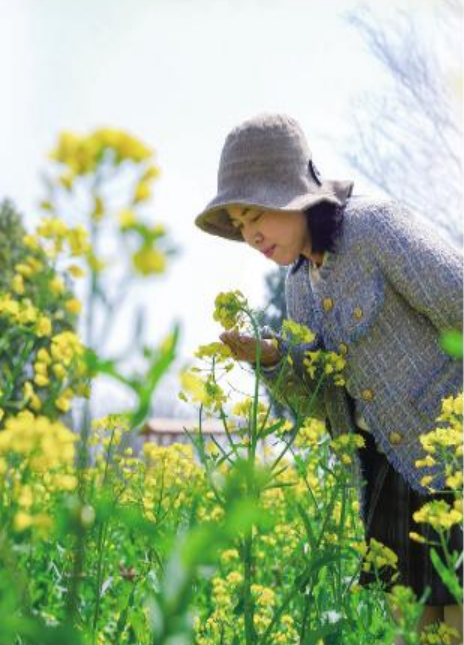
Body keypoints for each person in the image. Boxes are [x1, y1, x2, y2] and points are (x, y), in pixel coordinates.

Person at [194, 113, 463, 642]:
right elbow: (322, 402)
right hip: (385, 473)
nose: (251, 236)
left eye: (256, 215)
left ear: (294, 195)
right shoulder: (298, 285)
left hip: (452, 460)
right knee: (411, 633)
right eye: (240, 226)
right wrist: (272, 360)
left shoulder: (377, 228)